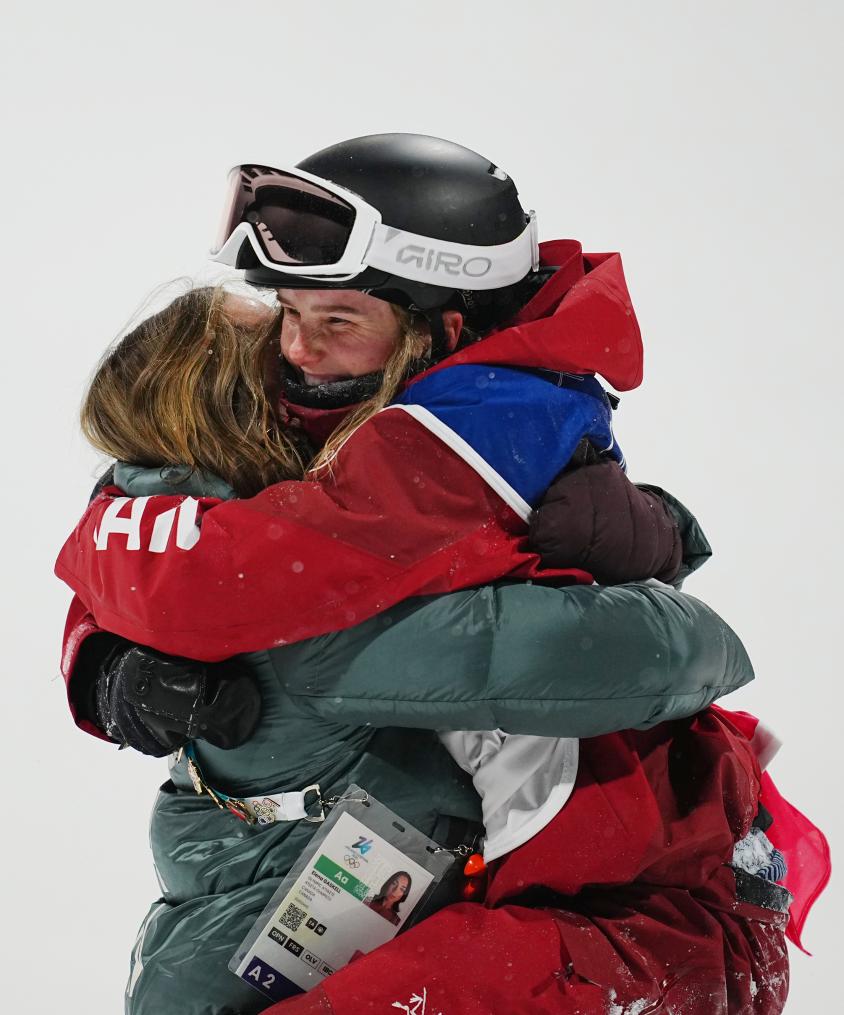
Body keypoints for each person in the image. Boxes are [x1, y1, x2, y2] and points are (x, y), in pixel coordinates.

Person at [56, 134, 828, 1013]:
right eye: (285, 316)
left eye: (338, 321)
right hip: (500, 895)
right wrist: (103, 660)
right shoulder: (303, 500)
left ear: (439, 330)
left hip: (642, 919)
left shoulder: (444, 451)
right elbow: (675, 650)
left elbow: (660, 656)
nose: (298, 352)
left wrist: (651, 542)